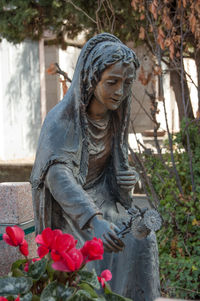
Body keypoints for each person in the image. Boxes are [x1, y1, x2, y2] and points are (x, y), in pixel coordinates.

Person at [31, 33, 160, 301]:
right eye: (112, 82)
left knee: (141, 238)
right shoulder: (60, 121)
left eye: (126, 83)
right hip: (70, 214)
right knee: (95, 245)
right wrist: (94, 221)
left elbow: (112, 176)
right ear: (92, 79)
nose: (120, 92)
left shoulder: (114, 118)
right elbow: (57, 177)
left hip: (104, 203)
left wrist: (123, 185)